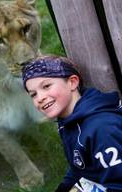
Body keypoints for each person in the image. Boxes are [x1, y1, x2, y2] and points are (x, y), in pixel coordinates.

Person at [21, 55, 122, 192]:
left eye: (46, 86)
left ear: (72, 82)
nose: (40, 98)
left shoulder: (102, 129)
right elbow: (79, 165)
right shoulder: (68, 122)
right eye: (33, 94)